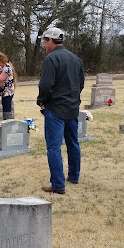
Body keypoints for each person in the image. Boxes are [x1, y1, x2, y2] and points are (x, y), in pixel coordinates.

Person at [37, 27, 85, 195]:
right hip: (72, 108)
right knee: (73, 143)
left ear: (50, 40)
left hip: (55, 109)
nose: (43, 45)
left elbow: (45, 85)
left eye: (44, 41)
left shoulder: (51, 59)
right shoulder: (77, 59)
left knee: (53, 147)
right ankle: (74, 176)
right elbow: (81, 85)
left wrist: (42, 101)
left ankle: (58, 184)